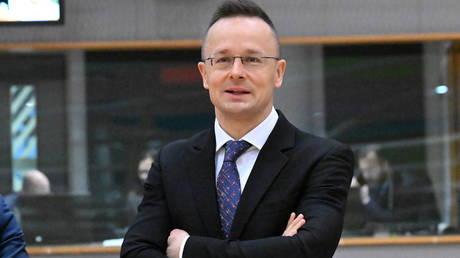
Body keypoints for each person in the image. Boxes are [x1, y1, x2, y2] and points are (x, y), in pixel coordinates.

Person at [121, 1, 354, 257]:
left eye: (252, 59)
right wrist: (277, 248)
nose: (236, 72)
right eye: (223, 60)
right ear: (204, 74)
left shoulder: (322, 159)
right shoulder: (172, 163)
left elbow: (309, 250)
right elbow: (135, 252)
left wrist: (188, 250)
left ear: (278, 72)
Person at [353, 145, 439, 231]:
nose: (366, 175)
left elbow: (395, 220)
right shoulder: (372, 183)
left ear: (385, 165)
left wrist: (366, 200)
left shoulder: (408, 185)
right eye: (363, 171)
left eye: (370, 170)